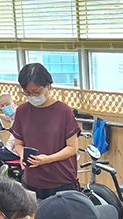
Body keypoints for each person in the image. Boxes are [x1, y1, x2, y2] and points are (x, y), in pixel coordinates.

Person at [9, 63, 80, 200]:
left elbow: (72, 148)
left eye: (36, 92)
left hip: (61, 180)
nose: (32, 96)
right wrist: (23, 155)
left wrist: (47, 159)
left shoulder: (63, 111)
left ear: (48, 85)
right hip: (33, 181)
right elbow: (18, 144)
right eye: (27, 93)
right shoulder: (22, 111)